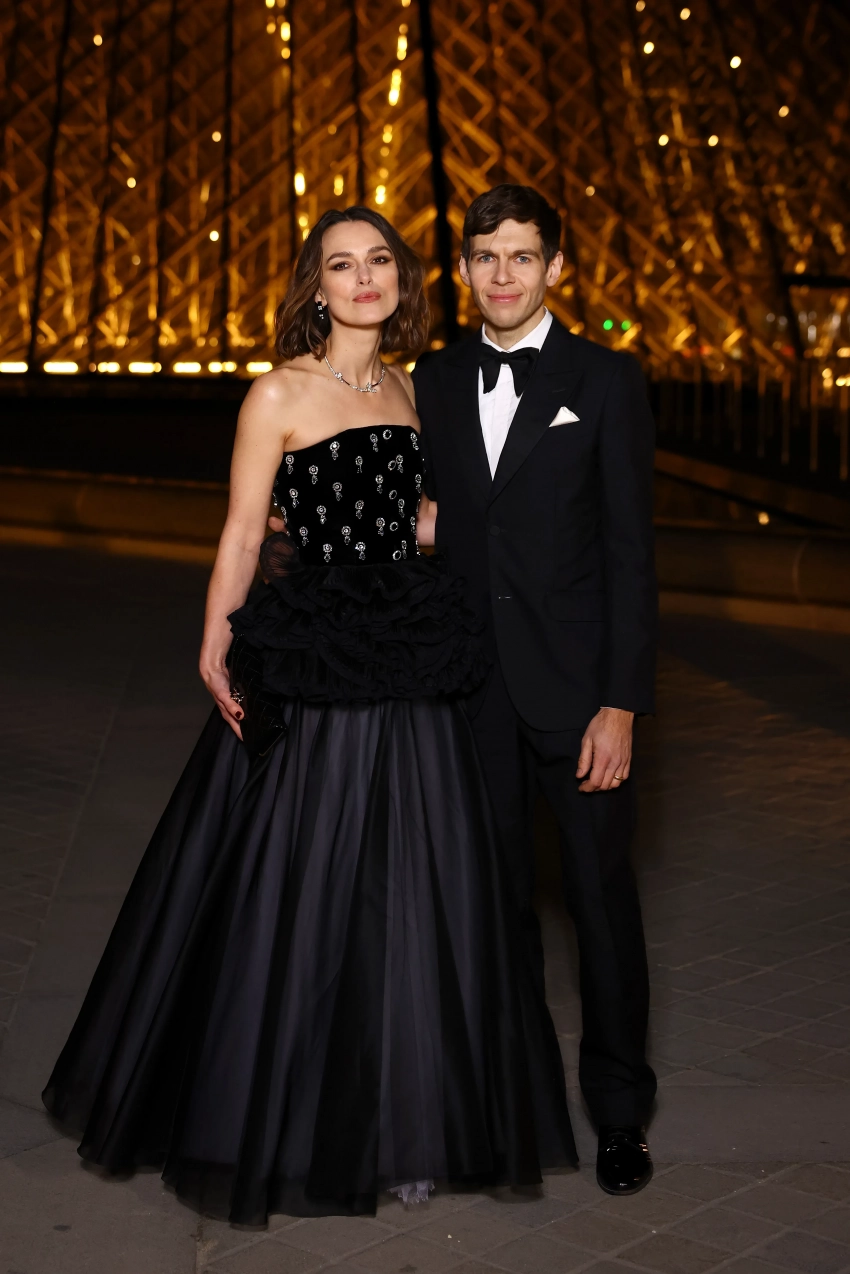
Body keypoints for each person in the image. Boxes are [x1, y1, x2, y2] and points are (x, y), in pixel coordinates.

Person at [42, 206, 577, 1225]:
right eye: (341, 264)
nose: (363, 278)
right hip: (319, 653)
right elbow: (245, 531)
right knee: (298, 888)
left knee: (411, 891)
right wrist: (214, 638)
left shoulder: (412, 388)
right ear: (316, 287)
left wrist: (534, 521)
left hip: (408, 650)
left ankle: (395, 1119)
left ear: (401, 279)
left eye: (378, 261)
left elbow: (419, 520)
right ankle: (278, 1116)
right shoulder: (278, 391)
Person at [412, 184, 658, 1196]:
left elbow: (631, 553)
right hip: (471, 695)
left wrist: (621, 703)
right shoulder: (433, 379)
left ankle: (619, 1114)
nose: (503, 274)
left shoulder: (606, 378)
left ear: (556, 266)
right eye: (486, 257)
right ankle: (515, 1107)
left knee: (600, 908)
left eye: (522, 256)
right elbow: (438, 517)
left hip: (580, 697)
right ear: (463, 270)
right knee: (495, 910)